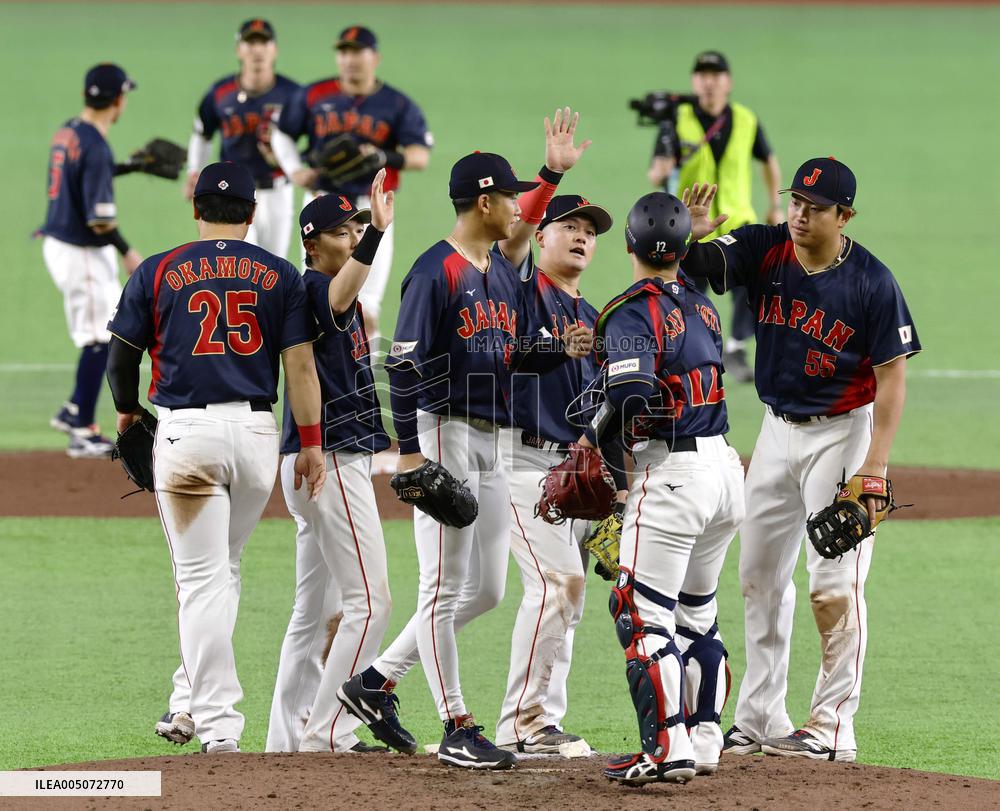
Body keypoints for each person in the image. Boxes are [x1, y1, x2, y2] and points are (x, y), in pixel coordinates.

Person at [336, 139, 593, 770]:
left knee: (486, 589)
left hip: (493, 437)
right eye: (510, 198)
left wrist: (558, 349)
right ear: (484, 202)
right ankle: (457, 725)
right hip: (443, 431)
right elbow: (403, 365)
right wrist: (409, 454)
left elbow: (509, 356)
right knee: (444, 588)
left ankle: (375, 682)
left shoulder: (500, 272)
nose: (518, 210)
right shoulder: (435, 271)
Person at [679, 161, 921, 762]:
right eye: (796, 201)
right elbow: (698, 266)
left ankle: (833, 726)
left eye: (816, 207)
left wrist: (874, 467)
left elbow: (893, 378)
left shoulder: (872, 281)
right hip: (775, 431)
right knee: (758, 577)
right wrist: (692, 236)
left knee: (834, 585)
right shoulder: (766, 247)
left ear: (845, 216)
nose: (800, 214)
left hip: (842, 434)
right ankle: (761, 717)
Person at [106, 161, 326, 754]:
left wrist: (126, 411)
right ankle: (186, 700)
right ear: (252, 213)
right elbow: (300, 368)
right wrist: (309, 442)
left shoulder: (158, 270)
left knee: (200, 580)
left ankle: (219, 725)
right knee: (222, 570)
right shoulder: (280, 274)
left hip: (188, 438)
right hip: (256, 436)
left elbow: (120, 358)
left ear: (195, 209)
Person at [573, 192, 744, 785]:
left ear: (627, 243)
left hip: (673, 477)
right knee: (697, 613)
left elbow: (632, 393)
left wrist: (591, 439)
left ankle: (666, 749)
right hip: (725, 473)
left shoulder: (629, 311)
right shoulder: (702, 305)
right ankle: (705, 737)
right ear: (684, 248)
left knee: (641, 614)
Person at [266, 171, 397, 754]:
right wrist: (379, 236)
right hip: (329, 460)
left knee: (315, 613)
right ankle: (330, 730)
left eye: (358, 230)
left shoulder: (324, 293)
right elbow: (341, 295)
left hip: (321, 459)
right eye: (344, 231)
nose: (354, 238)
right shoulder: (314, 289)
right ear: (312, 243)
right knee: (371, 602)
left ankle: (286, 740)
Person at [269, 25, 432, 337]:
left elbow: (420, 156)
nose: (349, 59)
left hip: (371, 211)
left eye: (357, 51)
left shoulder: (396, 103)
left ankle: (363, 368)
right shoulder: (314, 94)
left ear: (375, 57)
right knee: (316, 299)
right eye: (343, 52)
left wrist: (383, 156)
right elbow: (281, 132)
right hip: (322, 206)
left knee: (366, 308)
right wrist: (294, 170)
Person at [647, 50, 783, 383]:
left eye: (715, 75)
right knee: (685, 296)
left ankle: (735, 347)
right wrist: (663, 166)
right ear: (694, 82)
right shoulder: (676, 120)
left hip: (738, 222)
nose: (709, 82)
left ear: (728, 82)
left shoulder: (746, 119)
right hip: (690, 228)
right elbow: (655, 173)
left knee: (754, 287)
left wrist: (774, 203)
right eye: (702, 75)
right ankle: (685, 354)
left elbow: (768, 159)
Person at [43, 63, 143, 458]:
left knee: (103, 331)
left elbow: (81, 171)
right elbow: (99, 220)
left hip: (61, 241)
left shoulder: (69, 130)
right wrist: (128, 251)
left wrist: (129, 167)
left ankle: (73, 409)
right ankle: (83, 428)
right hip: (81, 250)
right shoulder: (97, 146)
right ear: (117, 100)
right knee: (101, 336)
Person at [184, 19, 300, 259]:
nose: (257, 50)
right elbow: (202, 134)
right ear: (239, 50)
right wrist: (194, 172)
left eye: (263, 43)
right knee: (241, 259)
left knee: (274, 264)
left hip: (278, 190)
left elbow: (314, 136)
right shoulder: (220, 92)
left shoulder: (293, 94)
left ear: (274, 49)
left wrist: (294, 163)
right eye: (250, 43)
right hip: (232, 192)